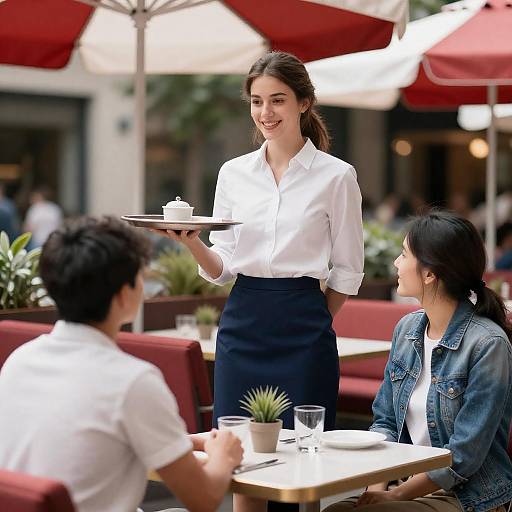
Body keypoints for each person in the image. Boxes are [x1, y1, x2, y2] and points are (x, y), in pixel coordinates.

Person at [152, 50, 364, 432]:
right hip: (241, 326)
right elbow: (223, 265)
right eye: (256, 101)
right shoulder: (233, 174)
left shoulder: (337, 177)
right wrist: (190, 242)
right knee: (239, 452)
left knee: (305, 454)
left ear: (305, 102)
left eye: (277, 100)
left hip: (305, 328)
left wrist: (314, 320)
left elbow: (348, 269)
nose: (266, 112)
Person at [0, 216, 243, 512]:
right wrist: (223, 456)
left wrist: (188, 442)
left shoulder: (19, 361)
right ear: (124, 294)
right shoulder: (133, 382)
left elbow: (88, 435)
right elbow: (203, 499)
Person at [325, 211, 512, 512]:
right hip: (407, 484)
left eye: (403, 255)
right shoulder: (407, 330)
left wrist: (396, 497)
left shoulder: (488, 344)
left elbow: (463, 455)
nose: (396, 263)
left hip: (470, 495)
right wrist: (376, 489)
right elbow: (384, 421)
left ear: (429, 273)